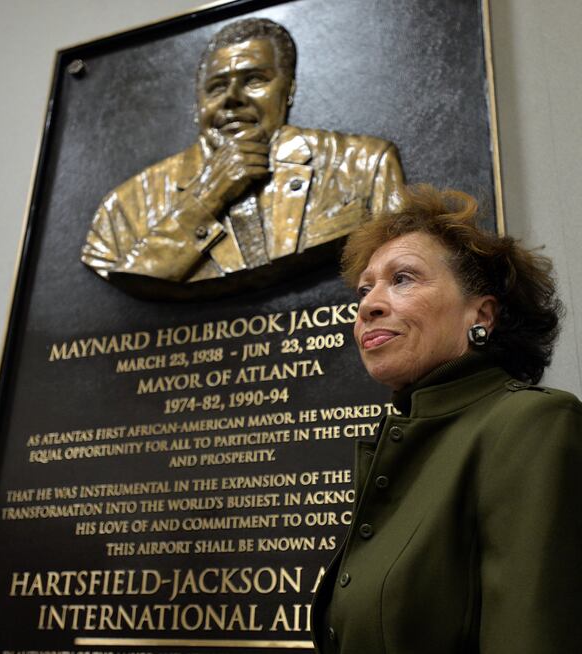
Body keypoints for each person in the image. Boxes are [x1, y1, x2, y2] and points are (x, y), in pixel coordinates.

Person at [310, 185, 582, 653]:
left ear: (481, 315)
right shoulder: (405, 442)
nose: (368, 305)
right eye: (365, 288)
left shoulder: (531, 423)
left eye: (403, 279)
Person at [81, 18, 405, 297]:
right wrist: (207, 197)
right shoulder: (121, 210)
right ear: (198, 105)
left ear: (289, 89)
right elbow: (133, 274)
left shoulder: (363, 164)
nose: (232, 99)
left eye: (254, 80)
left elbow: (400, 276)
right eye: (217, 87)